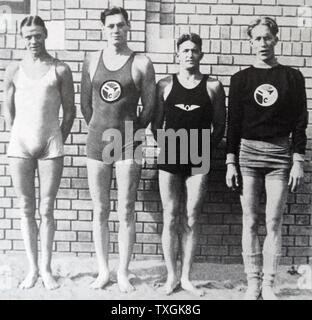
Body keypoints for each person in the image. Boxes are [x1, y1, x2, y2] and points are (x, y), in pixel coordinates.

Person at [226, 17, 308, 300]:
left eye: (267, 38)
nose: (262, 43)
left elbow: (300, 121)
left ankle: (269, 284)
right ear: (250, 42)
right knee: (250, 220)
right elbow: (232, 123)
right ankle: (252, 283)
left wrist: (299, 159)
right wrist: (230, 162)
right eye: (257, 38)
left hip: (279, 155)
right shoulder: (240, 79)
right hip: (248, 153)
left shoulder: (292, 77)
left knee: (273, 220)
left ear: (276, 39)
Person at [80, 7, 156, 293]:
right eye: (110, 25)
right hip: (98, 141)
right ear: (103, 28)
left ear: (128, 28)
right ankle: (103, 271)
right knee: (99, 209)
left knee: (126, 209)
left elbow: (150, 107)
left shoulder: (141, 62)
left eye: (121, 25)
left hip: (128, 142)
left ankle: (123, 272)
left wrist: (133, 132)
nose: (116, 30)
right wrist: (100, 129)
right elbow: (86, 105)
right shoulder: (91, 59)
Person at [3, 15, 76, 290]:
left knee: (47, 209)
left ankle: (46, 269)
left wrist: (58, 138)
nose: (33, 40)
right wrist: (15, 132)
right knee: (25, 208)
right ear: (23, 38)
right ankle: (32, 269)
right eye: (28, 36)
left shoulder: (60, 69)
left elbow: (69, 111)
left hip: (50, 145)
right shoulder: (14, 69)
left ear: (46, 35)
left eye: (37, 35)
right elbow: (7, 105)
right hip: (20, 145)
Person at [152, 33, 226, 296]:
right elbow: (155, 123)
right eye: (185, 50)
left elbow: (220, 126)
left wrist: (204, 149)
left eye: (194, 50)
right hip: (171, 152)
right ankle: (171, 276)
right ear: (177, 54)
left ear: (201, 54)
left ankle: (186, 277)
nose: (189, 54)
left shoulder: (213, 86)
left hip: (199, 155)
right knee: (170, 217)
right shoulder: (164, 85)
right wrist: (168, 145)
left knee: (192, 217)